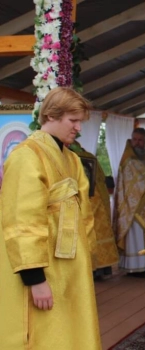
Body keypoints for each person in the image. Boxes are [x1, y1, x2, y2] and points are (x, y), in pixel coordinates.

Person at [0, 87, 101, 349]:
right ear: (51, 116)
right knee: (43, 336)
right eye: (73, 121)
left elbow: (85, 215)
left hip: (70, 270)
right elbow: (22, 220)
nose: (78, 128)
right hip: (42, 270)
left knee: (70, 335)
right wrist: (35, 278)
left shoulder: (72, 160)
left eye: (80, 121)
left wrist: (83, 263)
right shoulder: (26, 156)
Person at [114, 128, 145, 277]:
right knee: (137, 235)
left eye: (140, 140)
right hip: (134, 205)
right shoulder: (128, 159)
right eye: (134, 139)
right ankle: (136, 266)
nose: (137, 143)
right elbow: (133, 181)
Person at [70, 141, 119, 279]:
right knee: (99, 235)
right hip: (99, 201)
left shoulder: (70, 157)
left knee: (87, 235)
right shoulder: (90, 156)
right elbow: (101, 179)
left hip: (84, 202)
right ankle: (103, 269)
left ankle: (92, 269)